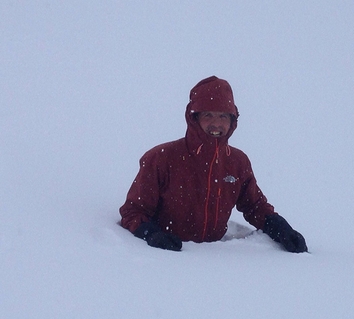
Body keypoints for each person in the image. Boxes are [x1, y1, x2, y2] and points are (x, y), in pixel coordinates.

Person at [119, 76, 307, 253]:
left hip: (216, 260)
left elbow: (255, 206)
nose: (216, 124)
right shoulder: (161, 158)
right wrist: (151, 234)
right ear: (194, 118)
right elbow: (132, 211)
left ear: (233, 120)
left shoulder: (238, 162)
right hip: (169, 259)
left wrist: (281, 229)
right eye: (208, 115)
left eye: (223, 116)